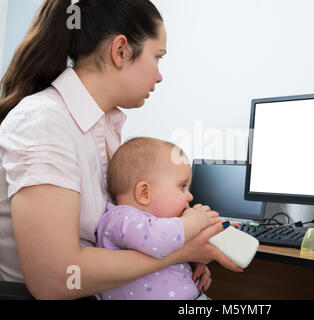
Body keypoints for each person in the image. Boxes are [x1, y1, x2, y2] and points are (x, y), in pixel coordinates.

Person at [0, 0, 242, 300]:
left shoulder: (106, 130)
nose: (159, 75)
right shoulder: (44, 121)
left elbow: (118, 231)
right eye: (158, 57)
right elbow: (55, 278)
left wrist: (183, 254)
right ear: (121, 50)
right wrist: (177, 252)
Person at [97, 137, 221, 300]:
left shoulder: (159, 225)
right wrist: (195, 221)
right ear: (144, 193)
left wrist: (192, 259)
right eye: (182, 186)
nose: (190, 196)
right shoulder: (120, 217)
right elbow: (157, 240)